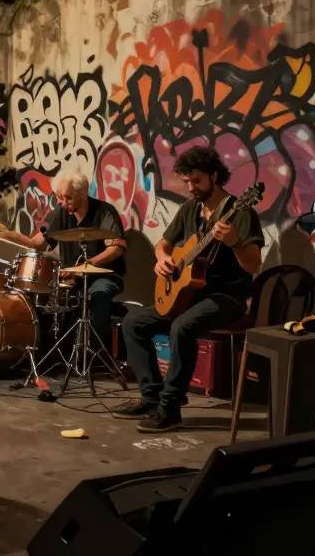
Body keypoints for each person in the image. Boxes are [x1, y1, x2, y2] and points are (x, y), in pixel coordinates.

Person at [113, 146, 263, 433]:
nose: (192, 187)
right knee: (133, 322)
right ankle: (151, 396)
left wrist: (234, 243)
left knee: (182, 327)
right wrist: (162, 261)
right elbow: (163, 244)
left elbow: (253, 265)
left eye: (197, 180)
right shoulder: (190, 209)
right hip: (190, 295)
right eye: (187, 182)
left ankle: (170, 408)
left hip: (227, 298)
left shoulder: (240, 212)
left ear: (215, 176)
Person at [0, 168, 126, 350]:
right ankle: (52, 350)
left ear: (83, 193)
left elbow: (116, 248)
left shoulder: (105, 212)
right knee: (37, 292)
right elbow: (37, 244)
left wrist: (86, 266)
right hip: (71, 278)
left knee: (99, 295)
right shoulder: (61, 211)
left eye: (68, 197)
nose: (63, 202)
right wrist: (9, 235)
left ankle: (98, 355)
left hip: (104, 277)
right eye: (60, 197)